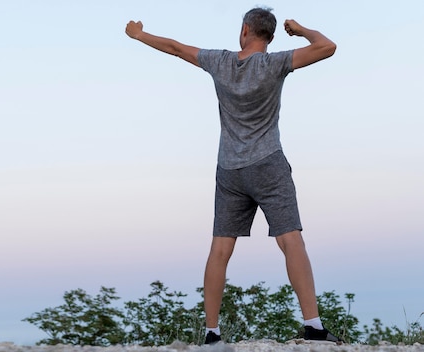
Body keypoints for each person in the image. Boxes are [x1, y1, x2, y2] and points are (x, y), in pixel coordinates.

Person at [125, 7, 338, 344]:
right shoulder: (275, 63)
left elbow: (176, 48)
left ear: (245, 30)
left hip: (229, 171)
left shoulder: (220, 61)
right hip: (268, 163)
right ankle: (313, 325)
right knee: (290, 239)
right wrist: (300, 29)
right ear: (268, 35)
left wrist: (139, 35)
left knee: (221, 249)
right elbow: (327, 47)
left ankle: (211, 333)